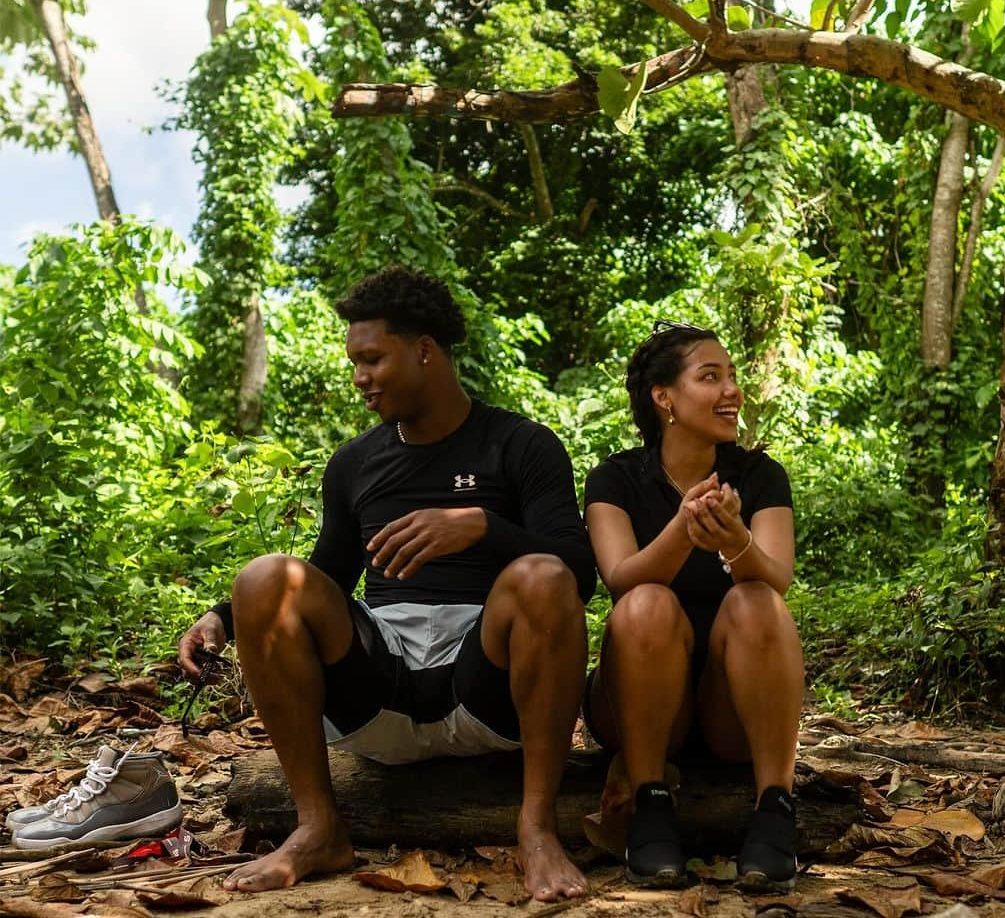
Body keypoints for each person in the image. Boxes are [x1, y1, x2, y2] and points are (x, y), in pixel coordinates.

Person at [178, 267, 595, 901]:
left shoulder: (522, 445)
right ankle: (318, 828)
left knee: (541, 573)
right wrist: (223, 617)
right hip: (382, 685)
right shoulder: (354, 464)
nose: (359, 378)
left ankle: (536, 829)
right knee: (264, 575)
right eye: (354, 361)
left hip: (486, 684)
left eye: (372, 358)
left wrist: (483, 527)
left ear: (424, 349)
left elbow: (578, 575)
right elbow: (327, 574)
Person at [583, 320, 803, 891]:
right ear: (664, 398)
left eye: (732, 376)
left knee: (756, 601)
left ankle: (776, 806)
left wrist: (734, 539)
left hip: (730, 711)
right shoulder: (615, 478)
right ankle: (650, 802)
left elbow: (777, 578)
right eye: (711, 377)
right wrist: (683, 529)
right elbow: (619, 578)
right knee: (645, 602)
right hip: (641, 705)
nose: (731, 390)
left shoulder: (759, 476)